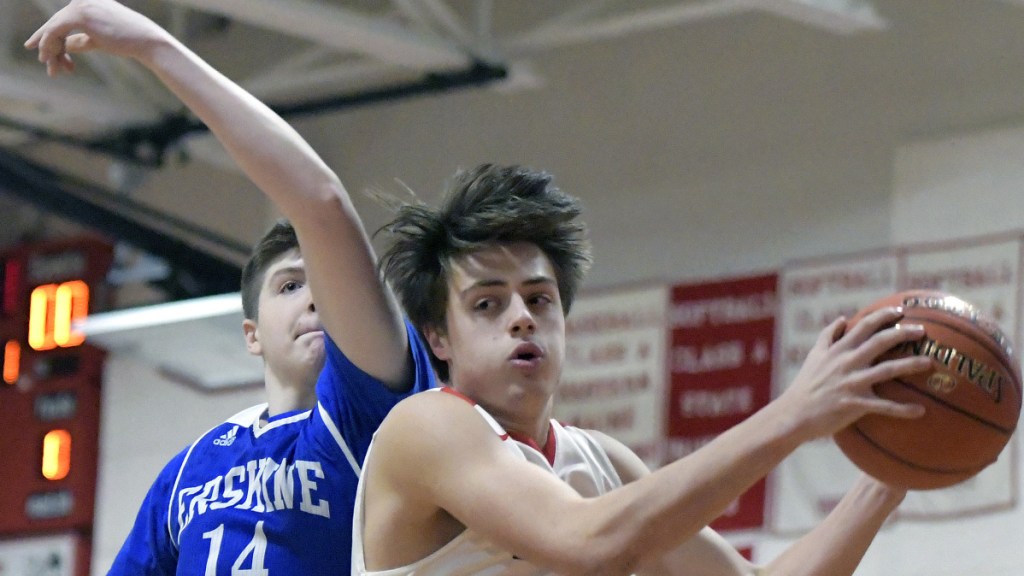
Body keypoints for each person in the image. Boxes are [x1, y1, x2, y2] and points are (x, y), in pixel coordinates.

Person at [352, 163, 934, 575]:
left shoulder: (601, 464)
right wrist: (794, 414)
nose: (522, 319)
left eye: (539, 298)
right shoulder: (426, 428)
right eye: (487, 304)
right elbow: (586, 544)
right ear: (437, 337)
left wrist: (893, 472)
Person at [26, 2, 435, 574]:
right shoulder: (190, 469)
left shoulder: (366, 415)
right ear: (251, 335)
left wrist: (153, 45)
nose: (315, 297)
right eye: (290, 285)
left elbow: (322, 204)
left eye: (324, 283)